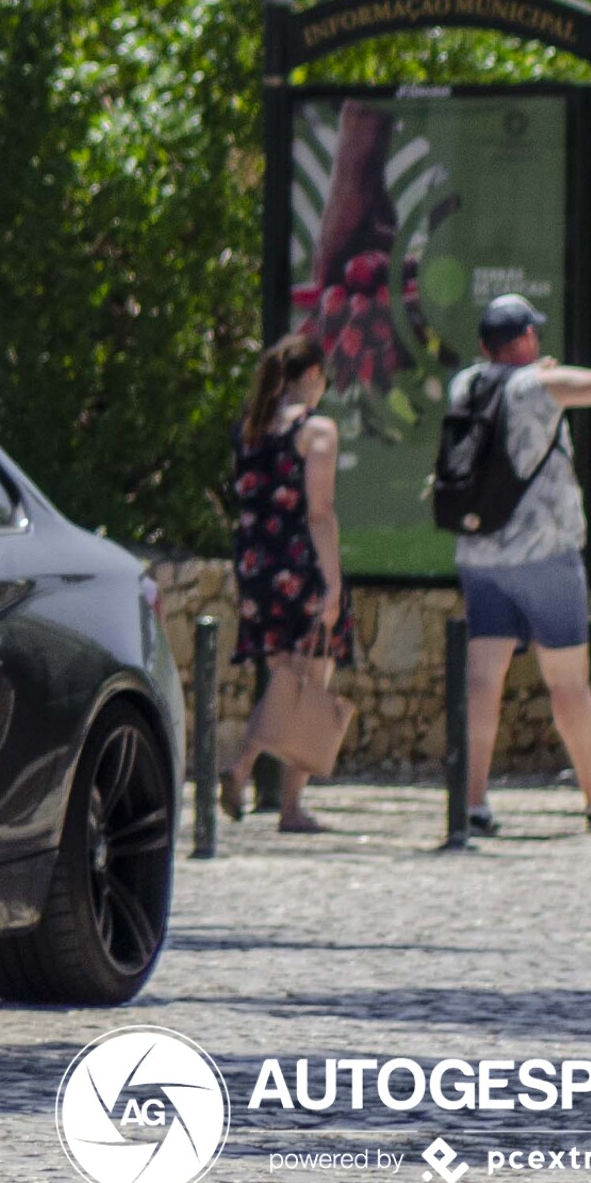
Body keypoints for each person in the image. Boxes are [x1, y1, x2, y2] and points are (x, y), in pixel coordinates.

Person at [450, 294, 591, 834]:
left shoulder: (467, 384)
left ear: (483, 346)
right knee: (567, 679)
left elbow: (506, 388)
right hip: (544, 555)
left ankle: (471, 803)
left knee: (482, 678)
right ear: (524, 339)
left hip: (480, 554)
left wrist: (537, 376)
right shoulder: (539, 386)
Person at [221, 331, 353, 832]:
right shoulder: (316, 431)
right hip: (302, 565)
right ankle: (266, 785)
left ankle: (267, 786)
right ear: (313, 376)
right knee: (310, 680)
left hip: (257, 565)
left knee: (284, 676)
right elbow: (319, 512)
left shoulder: (251, 429)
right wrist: (334, 583)